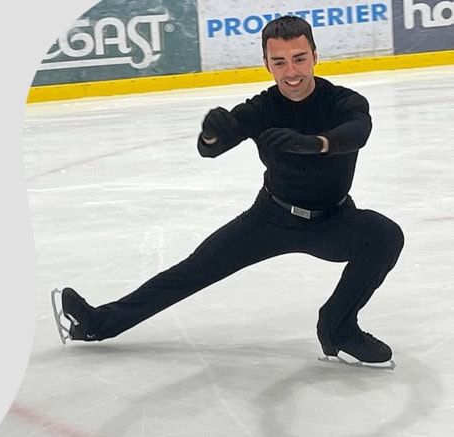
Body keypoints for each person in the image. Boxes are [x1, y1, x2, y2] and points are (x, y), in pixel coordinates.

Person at [56, 15, 404, 364]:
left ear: (315, 56)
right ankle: (96, 323)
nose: (291, 71)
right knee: (193, 270)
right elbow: (213, 146)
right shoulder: (262, 107)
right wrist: (211, 134)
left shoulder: (342, 101)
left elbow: (358, 131)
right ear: (266, 64)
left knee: (385, 236)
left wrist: (315, 144)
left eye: (299, 58)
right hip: (271, 217)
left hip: (333, 220)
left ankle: (337, 328)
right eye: (279, 62)